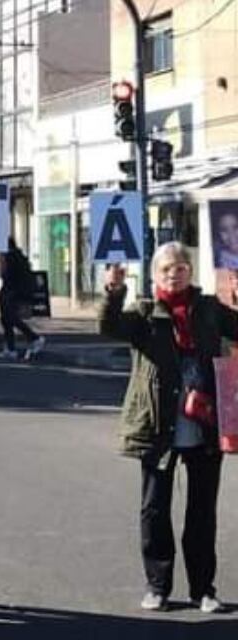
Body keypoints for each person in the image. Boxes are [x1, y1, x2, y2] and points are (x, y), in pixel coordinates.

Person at [99, 243, 232, 614]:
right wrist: (113, 291)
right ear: (156, 275)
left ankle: (203, 588)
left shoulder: (207, 310)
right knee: (154, 509)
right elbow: (108, 327)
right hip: (158, 426)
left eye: (183, 267)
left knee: (202, 511)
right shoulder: (144, 314)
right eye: (168, 269)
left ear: (192, 271)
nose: (176, 274)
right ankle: (157, 585)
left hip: (203, 423)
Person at [0, 238, 46, 361]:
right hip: (13, 291)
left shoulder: (11, 257)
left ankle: (34, 338)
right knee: (6, 320)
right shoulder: (18, 256)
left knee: (10, 318)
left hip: (12, 291)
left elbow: (8, 275)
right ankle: (10, 348)